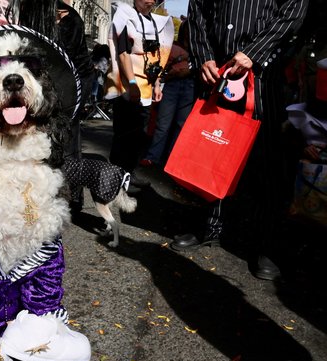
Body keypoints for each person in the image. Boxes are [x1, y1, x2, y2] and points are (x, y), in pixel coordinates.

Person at [170, 0, 308, 281]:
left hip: (263, 76)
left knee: (265, 163)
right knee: (213, 149)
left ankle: (264, 244)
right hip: (218, 74)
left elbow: (293, 12)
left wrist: (253, 54)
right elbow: (198, 11)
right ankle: (209, 225)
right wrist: (204, 56)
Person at [7, 0, 94, 213]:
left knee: (66, 134)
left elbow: (62, 60)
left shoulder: (70, 19)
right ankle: (39, 189)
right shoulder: (34, 16)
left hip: (74, 79)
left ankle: (71, 196)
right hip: (51, 76)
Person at [107, 0, 174, 191]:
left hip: (146, 87)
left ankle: (128, 172)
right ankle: (114, 176)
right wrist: (133, 84)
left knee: (138, 134)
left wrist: (158, 84)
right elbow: (122, 54)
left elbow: (157, 56)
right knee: (123, 132)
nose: (150, 2)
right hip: (127, 86)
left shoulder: (155, 23)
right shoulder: (124, 17)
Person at [140, 18, 195, 167]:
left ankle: (172, 160)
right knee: (163, 123)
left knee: (181, 126)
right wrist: (170, 76)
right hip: (172, 86)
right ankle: (153, 156)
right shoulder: (173, 47)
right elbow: (159, 68)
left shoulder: (199, 49)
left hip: (190, 87)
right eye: (188, 29)